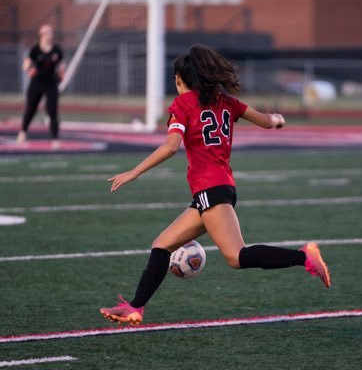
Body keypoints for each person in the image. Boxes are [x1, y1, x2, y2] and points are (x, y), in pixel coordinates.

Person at [100, 44, 331, 326]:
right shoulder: (227, 102)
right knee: (161, 246)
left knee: (236, 256)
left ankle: (303, 256)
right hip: (218, 190)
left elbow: (171, 146)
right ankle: (136, 307)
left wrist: (134, 171)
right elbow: (267, 121)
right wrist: (278, 120)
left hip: (211, 190)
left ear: (179, 80)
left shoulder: (182, 105)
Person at [16, 24, 66, 148]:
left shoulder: (56, 50)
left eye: (49, 33)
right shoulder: (35, 50)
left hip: (51, 84)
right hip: (37, 83)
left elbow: (62, 65)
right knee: (31, 109)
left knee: (52, 111)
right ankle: (23, 132)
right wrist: (29, 70)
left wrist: (62, 74)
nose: (48, 35)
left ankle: (55, 139)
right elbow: (26, 64)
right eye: (45, 33)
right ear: (41, 35)